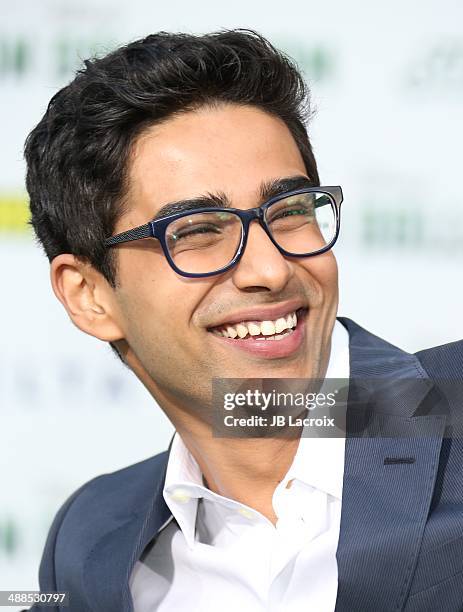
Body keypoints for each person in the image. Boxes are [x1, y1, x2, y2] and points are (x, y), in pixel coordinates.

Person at [23, 29, 463, 612]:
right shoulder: (87, 541)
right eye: (199, 231)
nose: (270, 268)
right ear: (89, 296)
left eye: (289, 211)